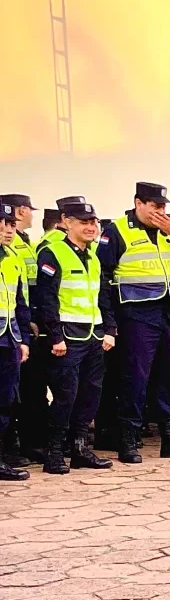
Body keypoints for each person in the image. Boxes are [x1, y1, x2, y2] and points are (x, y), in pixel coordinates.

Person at [97, 180, 170, 464]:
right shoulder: (117, 230)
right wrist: (109, 321)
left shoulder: (169, 231)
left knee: (168, 375)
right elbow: (103, 277)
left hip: (168, 312)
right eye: (154, 206)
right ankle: (128, 439)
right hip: (135, 313)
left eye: (162, 207)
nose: (159, 212)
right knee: (135, 377)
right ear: (138, 203)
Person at [33, 198, 117, 474]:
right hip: (67, 337)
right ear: (66, 222)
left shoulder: (92, 255)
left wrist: (109, 329)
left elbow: (102, 296)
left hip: (93, 335)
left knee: (90, 394)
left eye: (94, 222)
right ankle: (55, 453)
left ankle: (80, 449)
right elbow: (46, 298)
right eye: (84, 222)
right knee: (65, 396)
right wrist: (55, 335)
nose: (91, 227)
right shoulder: (53, 252)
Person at [0, 197, 32, 480]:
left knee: (5, 400)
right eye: (2, 223)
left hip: (8, 338)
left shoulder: (12, 258)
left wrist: (22, 340)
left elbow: (19, 303)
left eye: (11, 223)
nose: (8, 229)